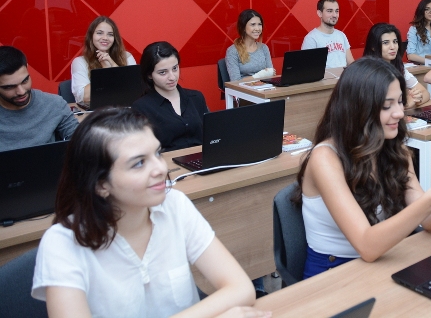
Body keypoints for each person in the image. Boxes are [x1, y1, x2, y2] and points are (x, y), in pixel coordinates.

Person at [31, 108, 267, 318]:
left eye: (158, 153)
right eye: (138, 163)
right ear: (101, 184)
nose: (160, 168)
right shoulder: (62, 243)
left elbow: (241, 289)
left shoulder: (174, 205)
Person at [294, 58, 431, 278]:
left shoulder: (393, 149)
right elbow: (367, 245)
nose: (399, 113)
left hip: (383, 259)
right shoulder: (325, 158)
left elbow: (430, 223)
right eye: (387, 106)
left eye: (400, 101)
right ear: (359, 109)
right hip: (333, 273)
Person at [132, 42, 209, 152]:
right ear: (149, 75)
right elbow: (143, 149)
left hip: (202, 157)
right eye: (163, 72)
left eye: (175, 68)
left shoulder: (196, 97)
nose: (172, 77)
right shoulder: (141, 107)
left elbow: (210, 136)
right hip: (166, 161)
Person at [0, 46, 78, 152]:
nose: (21, 92)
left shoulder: (54, 104)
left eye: (25, 81)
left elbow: (81, 143)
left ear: (27, 68)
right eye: (9, 87)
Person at [71, 16, 136, 106]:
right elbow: (84, 97)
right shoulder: (80, 62)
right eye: (99, 33)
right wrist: (105, 70)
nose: (105, 38)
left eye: (110, 34)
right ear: (91, 36)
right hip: (96, 111)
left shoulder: (126, 57)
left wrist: (111, 64)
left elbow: (133, 91)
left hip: (125, 109)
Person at [363, 23, 430, 108]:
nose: (393, 47)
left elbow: (425, 93)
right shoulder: (366, 72)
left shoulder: (398, 67)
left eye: (395, 42)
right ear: (373, 46)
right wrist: (403, 104)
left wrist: (415, 99)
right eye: (386, 43)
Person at [301, 0, 355, 68]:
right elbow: (307, 69)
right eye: (330, 11)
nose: (334, 15)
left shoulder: (341, 35)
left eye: (336, 11)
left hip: (344, 75)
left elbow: (351, 63)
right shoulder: (311, 38)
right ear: (320, 13)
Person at [225, 9, 276, 82]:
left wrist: (266, 74)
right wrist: (261, 75)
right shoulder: (232, 51)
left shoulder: (264, 48)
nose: (257, 28)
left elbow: (271, 74)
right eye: (253, 24)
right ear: (243, 27)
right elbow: (235, 81)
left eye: (259, 24)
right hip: (244, 88)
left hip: (265, 87)